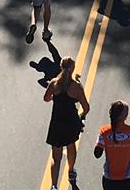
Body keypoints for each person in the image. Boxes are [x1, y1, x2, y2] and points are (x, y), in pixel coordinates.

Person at [45, 56, 89, 190]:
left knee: (56, 157)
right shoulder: (76, 86)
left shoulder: (54, 83)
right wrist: (81, 116)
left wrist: (54, 97)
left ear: (60, 67)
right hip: (70, 123)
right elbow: (86, 107)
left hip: (57, 123)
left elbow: (46, 98)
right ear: (73, 69)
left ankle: (53, 185)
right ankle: (71, 171)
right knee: (71, 146)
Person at [94, 100, 130, 189]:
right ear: (124, 116)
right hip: (128, 178)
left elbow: (97, 154)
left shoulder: (104, 131)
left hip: (109, 178)